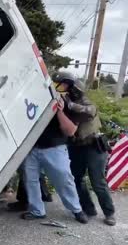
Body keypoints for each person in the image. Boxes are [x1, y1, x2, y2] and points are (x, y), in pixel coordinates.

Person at [21, 74, 88, 223]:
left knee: (64, 179)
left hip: (54, 148)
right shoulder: (34, 98)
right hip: (31, 148)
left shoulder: (68, 103)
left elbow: (70, 131)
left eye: (61, 84)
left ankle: (76, 209)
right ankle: (37, 210)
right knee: (30, 180)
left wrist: (59, 111)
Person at [53, 72, 116, 226]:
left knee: (97, 181)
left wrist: (69, 105)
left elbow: (90, 111)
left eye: (65, 84)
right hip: (76, 146)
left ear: (73, 86)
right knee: (76, 179)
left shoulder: (82, 101)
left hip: (94, 145)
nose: (62, 88)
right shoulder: (65, 102)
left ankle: (109, 213)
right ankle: (88, 208)